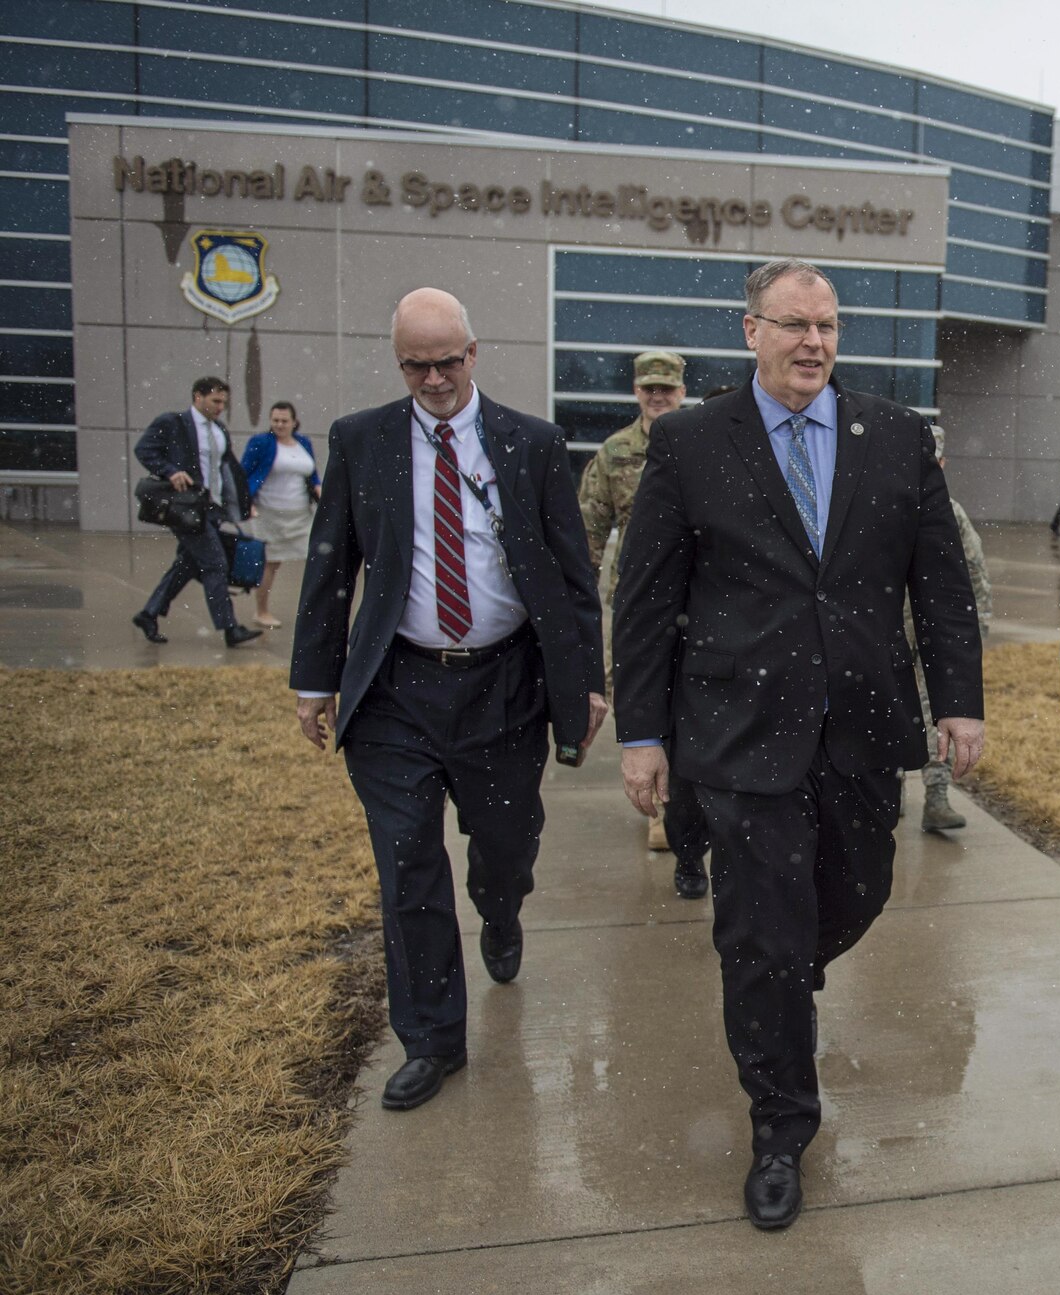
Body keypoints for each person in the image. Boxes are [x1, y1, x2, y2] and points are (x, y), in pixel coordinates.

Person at [614, 259, 984, 1231]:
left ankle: (779, 967)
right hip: (739, 734)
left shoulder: (896, 437)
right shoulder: (691, 442)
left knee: (858, 891)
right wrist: (642, 734)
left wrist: (960, 701)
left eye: (826, 325)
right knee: (762, 935)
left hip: (861, 723)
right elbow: (647, 599)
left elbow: (938, 583)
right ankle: (780, 1125)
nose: (813, 342)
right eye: (793, 324)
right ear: (750, 331)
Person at [291, 288, 607, 1113]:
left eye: (447, 361)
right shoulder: (362, 441)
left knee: (504, 849)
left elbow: (574, 580)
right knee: (407, 867)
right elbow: (331, 568)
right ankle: (431, 1039)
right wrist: (314, 679)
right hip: (397, 689)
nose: (434, 378)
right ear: (398, 361)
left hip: (503, 686)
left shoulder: (530, 444)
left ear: (475, 352)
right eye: (416, 365)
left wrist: (586, 684)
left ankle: (501, 913)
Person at [577, 349, 708, 895]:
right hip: (641, 605)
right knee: (647, 708)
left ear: (681, 390)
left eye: (667, 388)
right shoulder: (614, 454)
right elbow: (586, 529)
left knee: (696, 713)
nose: (658, 397)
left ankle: (691, 818)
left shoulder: (707, 442)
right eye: (648, 389)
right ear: (636, 391)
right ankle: (662, 811)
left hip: (703, 604)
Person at [900, 422, 991, 832]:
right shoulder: (882, 506)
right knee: (886, 714)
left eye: (934, 462)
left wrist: (974, 638)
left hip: (931, 640)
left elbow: (972, 580)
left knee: (937, 714)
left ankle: (936, 797)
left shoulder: (950, 515)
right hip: (888, 638)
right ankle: (892, 786)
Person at [130, 376, 261, 647]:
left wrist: (242, 504)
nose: (219, 407)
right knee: (215, 564)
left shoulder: (219, 430)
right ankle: (229, 629)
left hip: (212, 509)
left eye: (223, 402)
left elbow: (228, 470)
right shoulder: (173, 423)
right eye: (215, 401)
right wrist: (170, 471)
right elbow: (143, 449)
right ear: (197, 397)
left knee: (187, 564)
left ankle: (149, 613)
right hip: (186, 508)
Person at [241, 401, 320, 628]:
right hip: (269, 514)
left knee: (318, 559)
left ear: (294, 422)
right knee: (271, 563)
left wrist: (320, 489)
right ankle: (261, 611)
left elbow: (312, 474)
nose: (279, 424)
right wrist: (247, 503)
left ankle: (315, 611)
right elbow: (243, 474)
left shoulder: (303, 442)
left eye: (284, 421)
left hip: (301, 514)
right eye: (275, 420)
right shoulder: (261, 443)